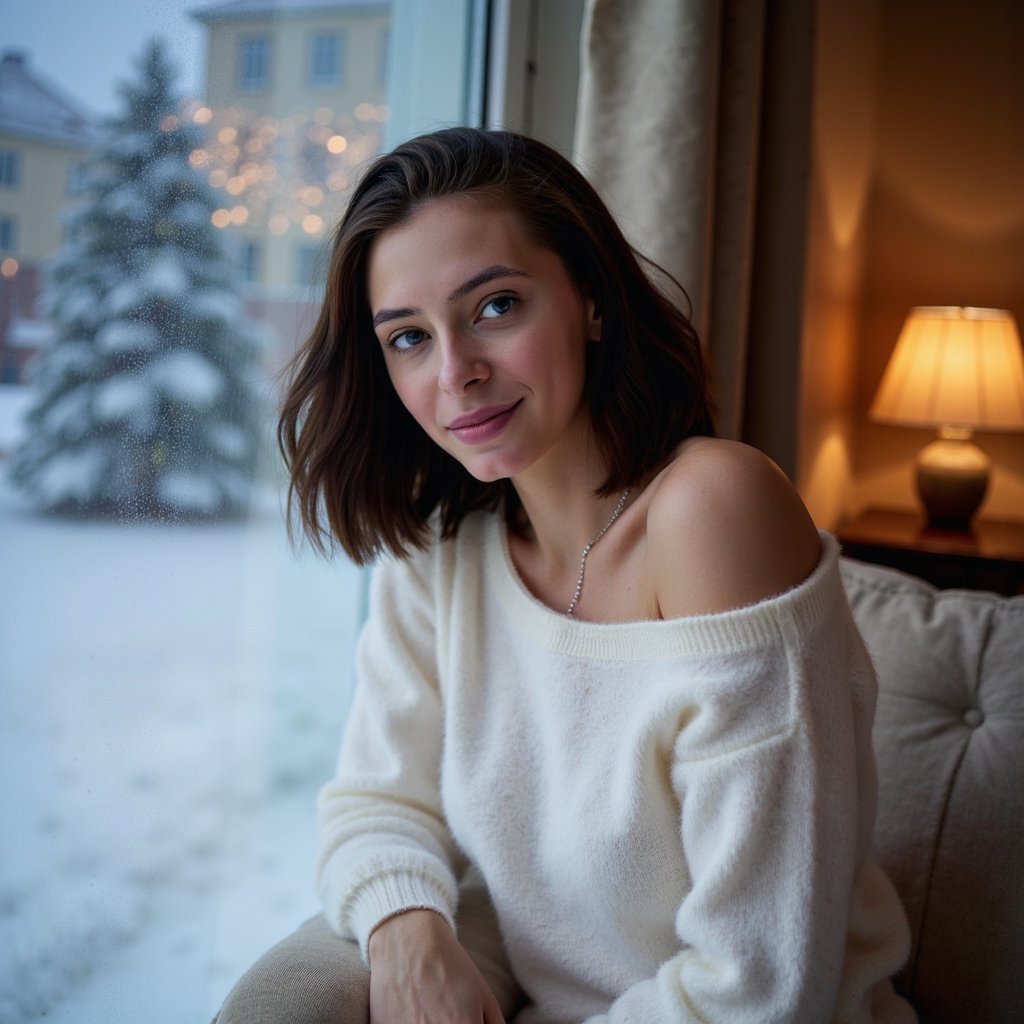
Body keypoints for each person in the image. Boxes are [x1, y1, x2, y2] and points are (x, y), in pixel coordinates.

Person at [214, 127, 914, 1023]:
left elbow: (762, 984)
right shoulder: (443, 560)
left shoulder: (714, 506)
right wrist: (408, 930)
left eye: (496, 306)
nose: (456, 374)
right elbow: (371, 803)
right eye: (407, 338)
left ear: (590, 296)